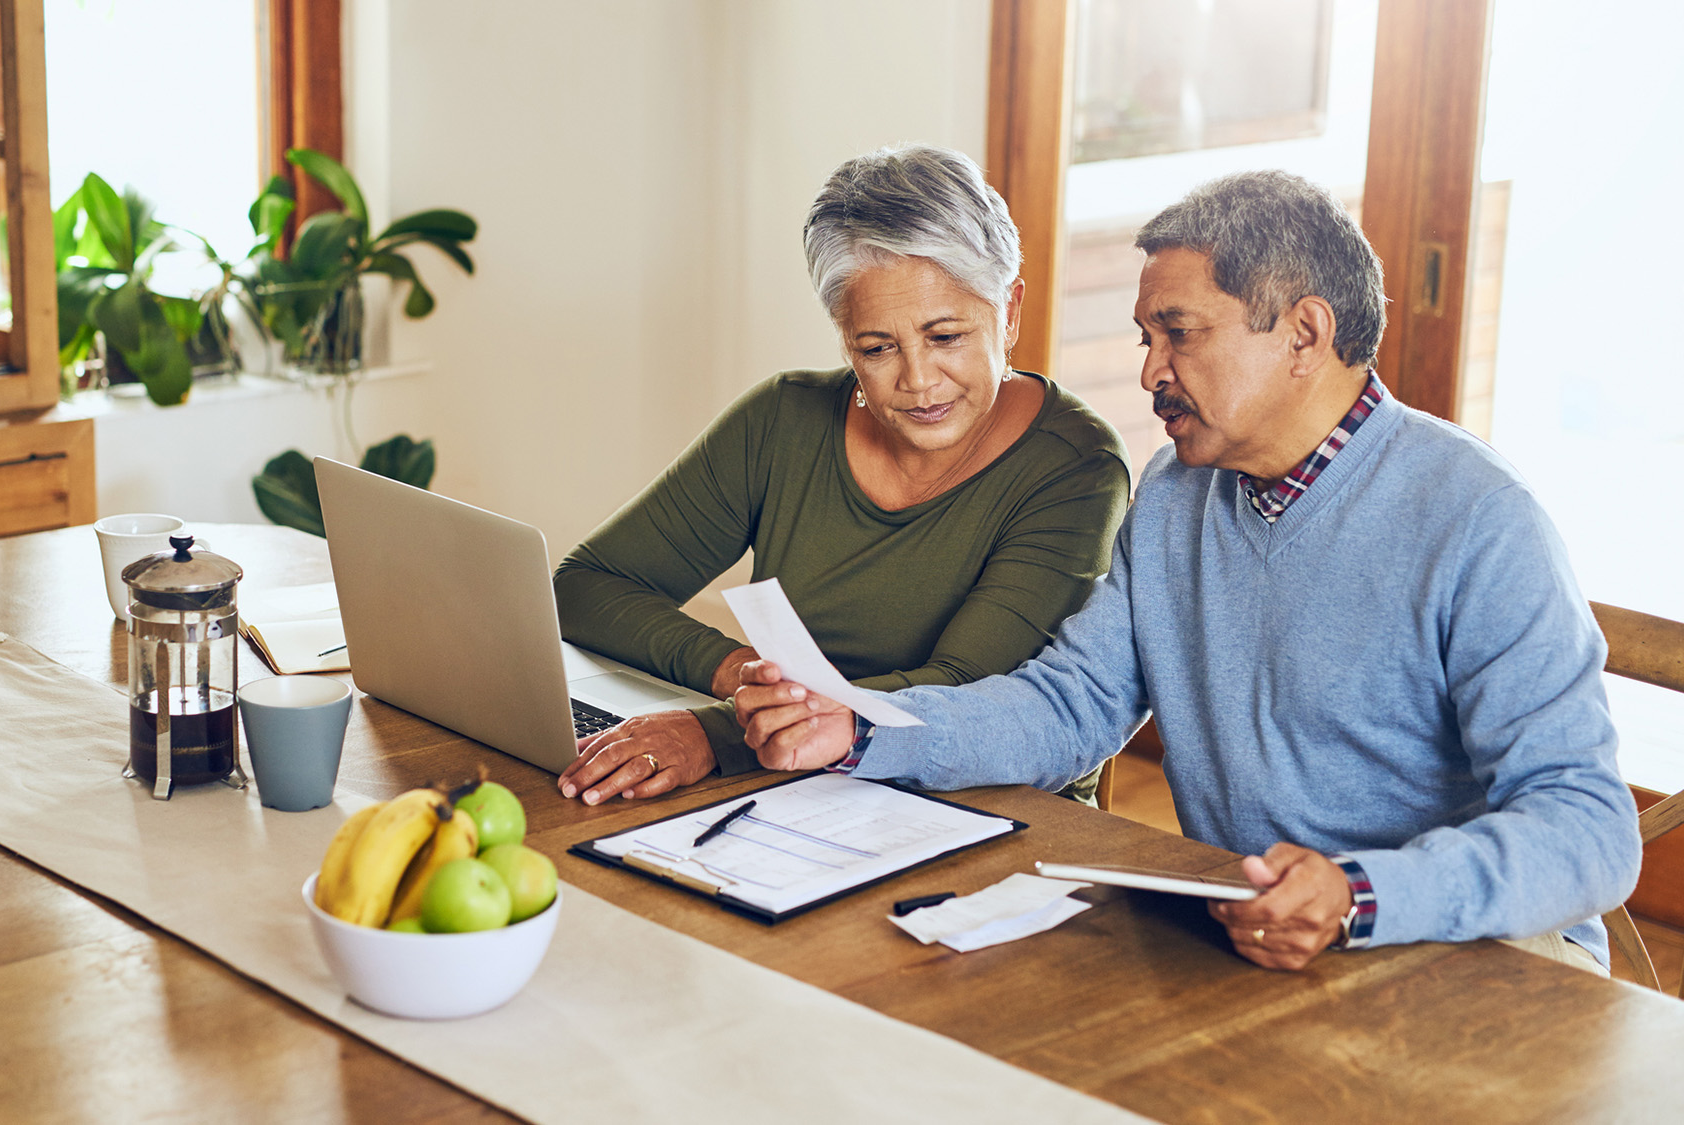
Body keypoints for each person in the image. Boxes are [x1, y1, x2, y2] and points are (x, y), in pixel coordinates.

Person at [733, 170, 1641, 974]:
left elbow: (1589, 832)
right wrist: (859, 729)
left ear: (1305, 332)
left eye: (1179, 334)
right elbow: (1071, 704)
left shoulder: (1479, 519)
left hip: (1478, 961)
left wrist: (1360, 895)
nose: (1149, 372)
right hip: (1260, 945)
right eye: (1144, 338)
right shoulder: (1176, 493)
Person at [552, 144, 1130, 807]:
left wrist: (720, 734)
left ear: (1010, 311)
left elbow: (966, 692)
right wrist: (743, 677)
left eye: (946, 337)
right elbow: (587, 587)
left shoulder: (1076, 466)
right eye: (876, 347)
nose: (917, 381)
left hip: (985, 810)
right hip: (798, 794)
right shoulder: (784, 419)